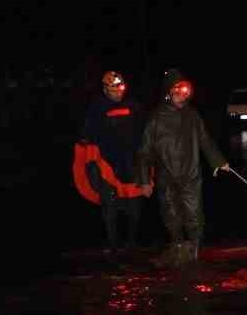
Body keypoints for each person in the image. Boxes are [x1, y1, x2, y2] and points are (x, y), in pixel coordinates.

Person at [135, 69, 228, 266]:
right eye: (177, 91)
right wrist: (144, 180)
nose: (182, 95)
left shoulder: (192, 115)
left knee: (194, 213)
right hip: (166, 176)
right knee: (171, 213)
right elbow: (144, 152)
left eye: (185, 92)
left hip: (190, 174)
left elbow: (205, 140)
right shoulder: (156, 118)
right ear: (168, 92)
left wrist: (218, 161)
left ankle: (194, 248)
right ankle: (177, 246)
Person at [75, 69, 146, 253]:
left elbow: (145, 131)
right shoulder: (97, 107)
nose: (118, 91)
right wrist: (87, 150)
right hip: (106, 164)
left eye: (121, 87)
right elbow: (86, 133)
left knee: (134, 205)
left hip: (131, 163)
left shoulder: (133, 105)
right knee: (109, 205)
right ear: (106, 89)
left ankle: (132, 242)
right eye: (114, 88)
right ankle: (112, 243)